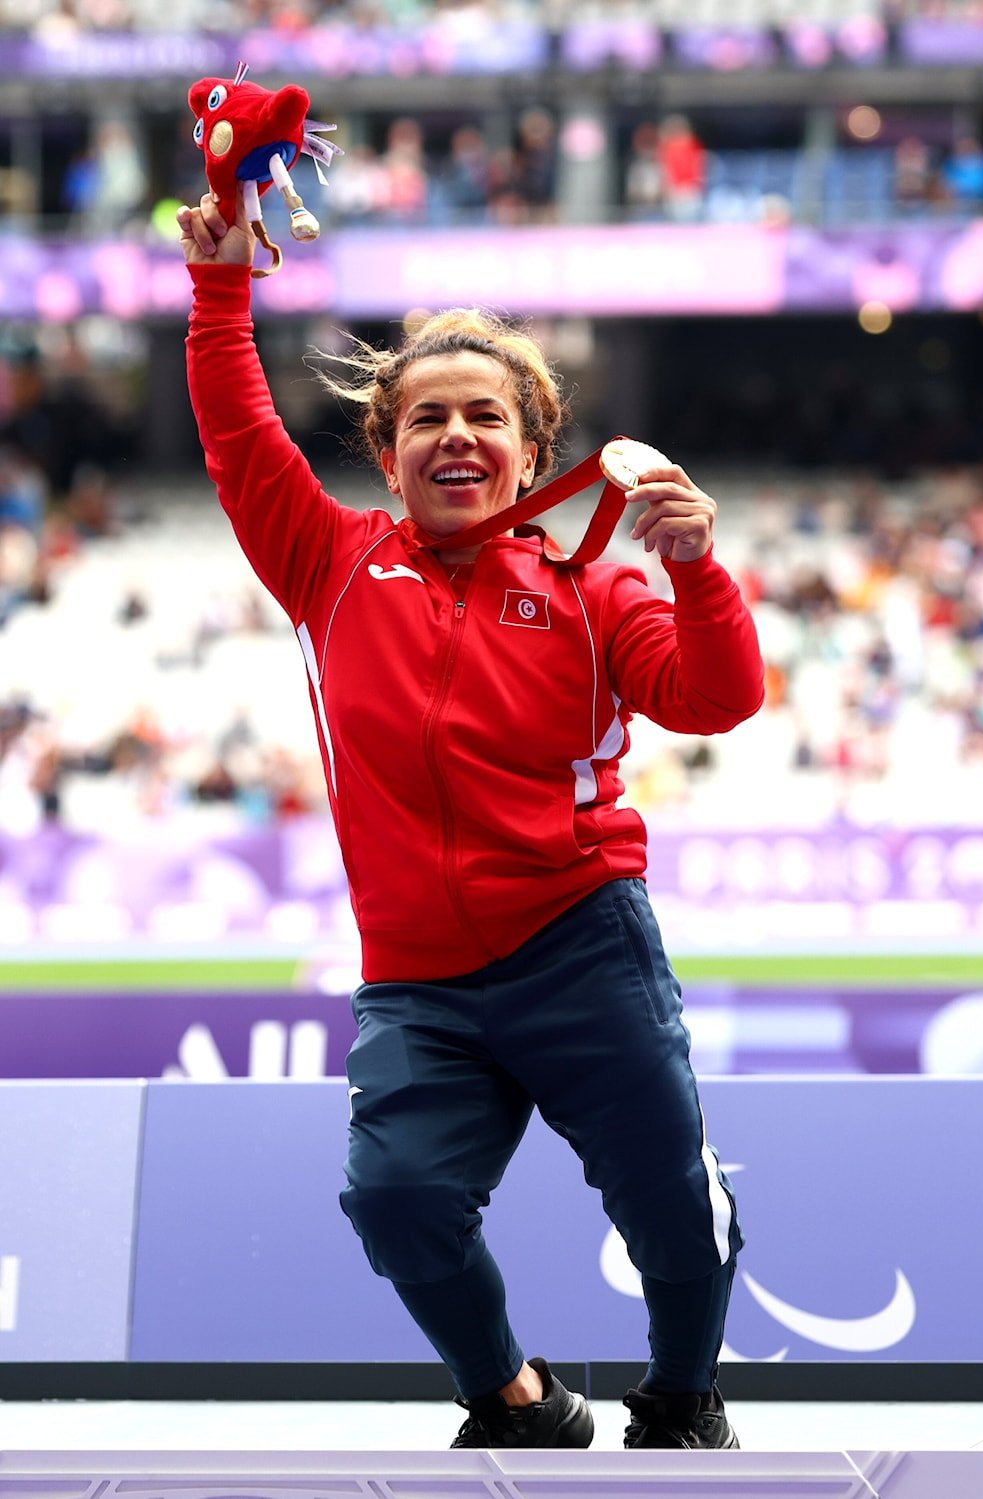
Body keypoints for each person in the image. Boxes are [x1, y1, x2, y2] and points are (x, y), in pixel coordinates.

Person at [177, 186, 765, 1451]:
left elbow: (716, 698)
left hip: (580, 941)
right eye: (425, 417)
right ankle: (515, 1397)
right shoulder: (328, 563)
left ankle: (681, 1397)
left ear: (530, 451)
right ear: (385, 454)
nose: (455, 435)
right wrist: (221, 289)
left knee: (672, 1205)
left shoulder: (596, 583)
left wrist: (697, 570)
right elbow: (237, 435)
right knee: (392, 1198)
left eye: (483, 416)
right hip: (418, 978)